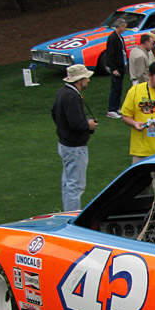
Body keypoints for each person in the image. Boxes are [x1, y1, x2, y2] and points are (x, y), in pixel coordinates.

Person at [51, 64, 98, 211]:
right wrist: (88, 125)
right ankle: (71, 216)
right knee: (75, 186)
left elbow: (53, 113)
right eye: (86, 78)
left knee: (68, 183)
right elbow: (76, 123)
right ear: (79, 80)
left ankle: (67, 213)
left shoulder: (62, 92)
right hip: (75, 147)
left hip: (65, 144)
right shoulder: (72, 96)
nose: (88, 81)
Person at [104, 20, 128, 118]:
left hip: (121, 67)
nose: (125, 29)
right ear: (120, 26)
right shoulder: (112, 38)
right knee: (115, 88)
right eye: (124, 26)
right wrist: (114, 69)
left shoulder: (119, 37)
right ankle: (111, 109)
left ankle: (117, 107)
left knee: (119, 89)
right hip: (116, 69)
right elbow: (109, 56)